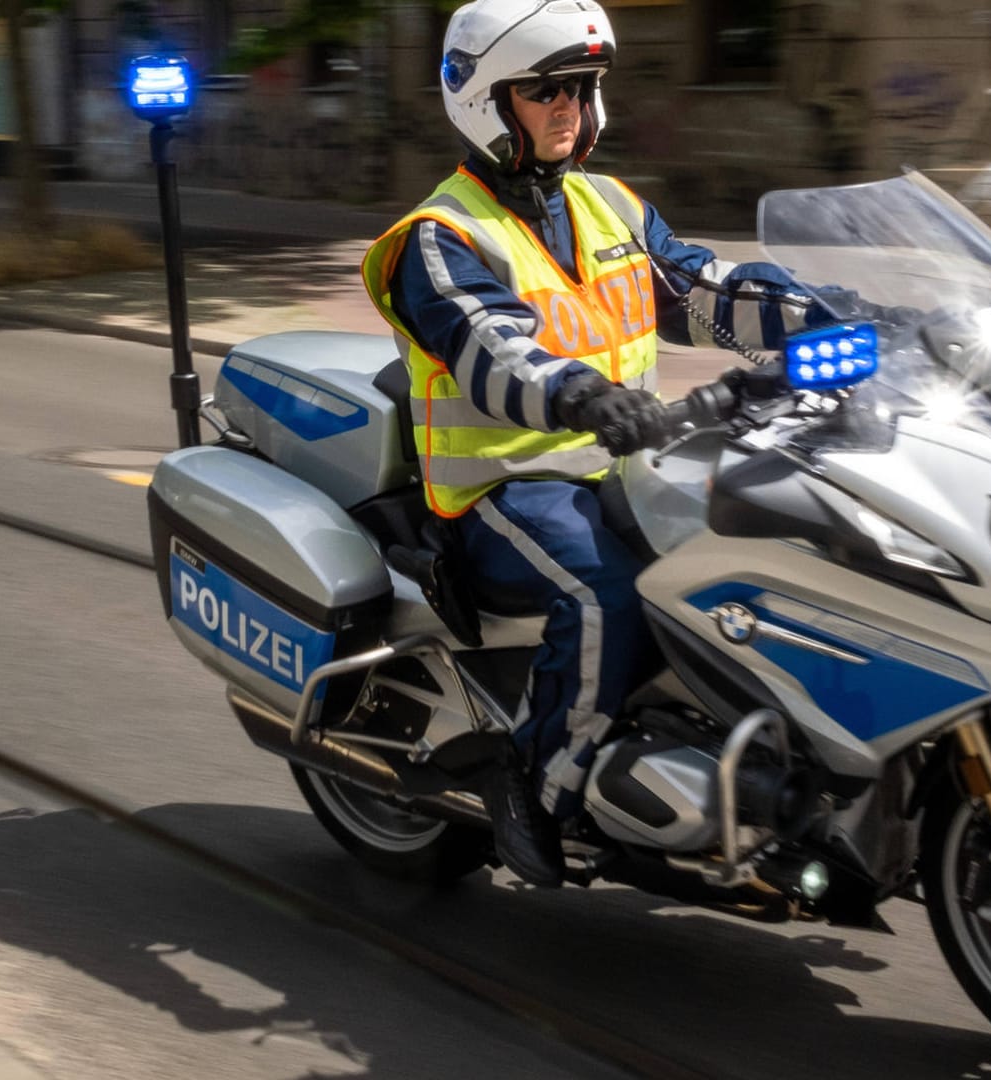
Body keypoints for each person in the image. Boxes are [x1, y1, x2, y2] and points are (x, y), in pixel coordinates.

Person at [360, 0, 820, 888]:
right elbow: (493, 350)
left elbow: (705, 292)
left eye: (582, 87)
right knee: (612, 596)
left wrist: (844, 317)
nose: (569, 106)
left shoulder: (608, 205)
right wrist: (584, 393)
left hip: (625, 472)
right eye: (544, 90)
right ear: (489, 103)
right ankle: (536, 786)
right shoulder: (442, 238)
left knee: (764, 546)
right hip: (506, 492)